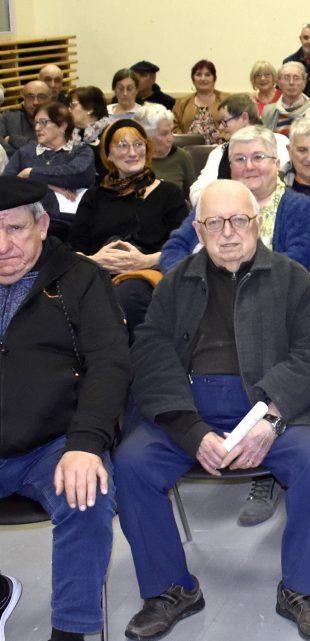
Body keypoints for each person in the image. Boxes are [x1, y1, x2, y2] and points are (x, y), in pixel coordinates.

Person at [115, 179, 310, 641]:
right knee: (132, 463)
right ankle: (170, 589)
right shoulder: (174, 283)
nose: (228, 232)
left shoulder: (292, 277)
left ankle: (301, 589)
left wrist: (271, 418)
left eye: (239, 220)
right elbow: (152, 356)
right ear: (198, 231)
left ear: (257, 223)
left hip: (271, 407)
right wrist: (191, 431)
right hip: (188, 408)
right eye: (215, 223)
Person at [0, 176, 130, 641]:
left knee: (86, 497)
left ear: (41, 226)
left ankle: (70, 631)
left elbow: (110, 363)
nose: (2, 246)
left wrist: (87, 443)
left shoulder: (79, 277)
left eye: (14, 229)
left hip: (55, 441)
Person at [69, 118, 189, 334]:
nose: (132, 153)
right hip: (98, 275)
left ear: (147, 148)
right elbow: (73, 250)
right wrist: (95, 260)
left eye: (138, 144)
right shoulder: (94, 197)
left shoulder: (169, 193)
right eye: (122, 146)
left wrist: (145, 261)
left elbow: (185, 248)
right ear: (108, 155)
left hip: (147, 276)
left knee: (127, 296)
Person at [161, 125, 310, 274]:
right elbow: (174, 249)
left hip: (269, 293)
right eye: (240, 159)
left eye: (258, 157)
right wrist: (190, 281)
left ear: (276, 164)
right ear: (230, 167)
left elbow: (296, 265)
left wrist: (236, 284)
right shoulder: (211, 202)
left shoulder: (302, 209)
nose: (249, 166)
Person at [3, 100, 96, 234]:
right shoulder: (25, 153)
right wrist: (49, 185)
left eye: (43, 122)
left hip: (73, 225)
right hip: (31, 226)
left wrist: (30, 173)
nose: (37, 128)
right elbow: (6, 186)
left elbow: (76, 174)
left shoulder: (81, 152)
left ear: (62, 126)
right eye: (36, 122)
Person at [186, 94, 291, 208]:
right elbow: (196, 192)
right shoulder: (219, 152)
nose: (220, 128)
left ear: (244, 118)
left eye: (224, 121)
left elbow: (287, 181)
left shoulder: (279, 142)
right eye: (240, 159)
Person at [134, 103, 195, 199]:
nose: (171, 138)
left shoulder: (182, 157)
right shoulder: (132, 158)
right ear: (146, 137)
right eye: (164, 134)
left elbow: (191, 196)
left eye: (172, 131)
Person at [262, 62, 310, 137]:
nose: (291, 82)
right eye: (286, 78)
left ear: (304, 83)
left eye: (296, 78)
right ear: (279, 83)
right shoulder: (269, 112)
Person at [171, 60, 228, 145]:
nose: (203, 78)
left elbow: (234, 125)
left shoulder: (226, 100)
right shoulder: (181, 103)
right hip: (187, 150)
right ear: (193, 79)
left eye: (207, 75)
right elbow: (173, 128)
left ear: (214, 78)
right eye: (198, 74)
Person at [0, 80, 51, 155]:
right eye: (30, 96)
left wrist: (14, 139)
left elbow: (51, 150)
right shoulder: (8, 117)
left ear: (49, 98)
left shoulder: (57, 120)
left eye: (41, 96)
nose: (35, 102)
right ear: (23, 97)